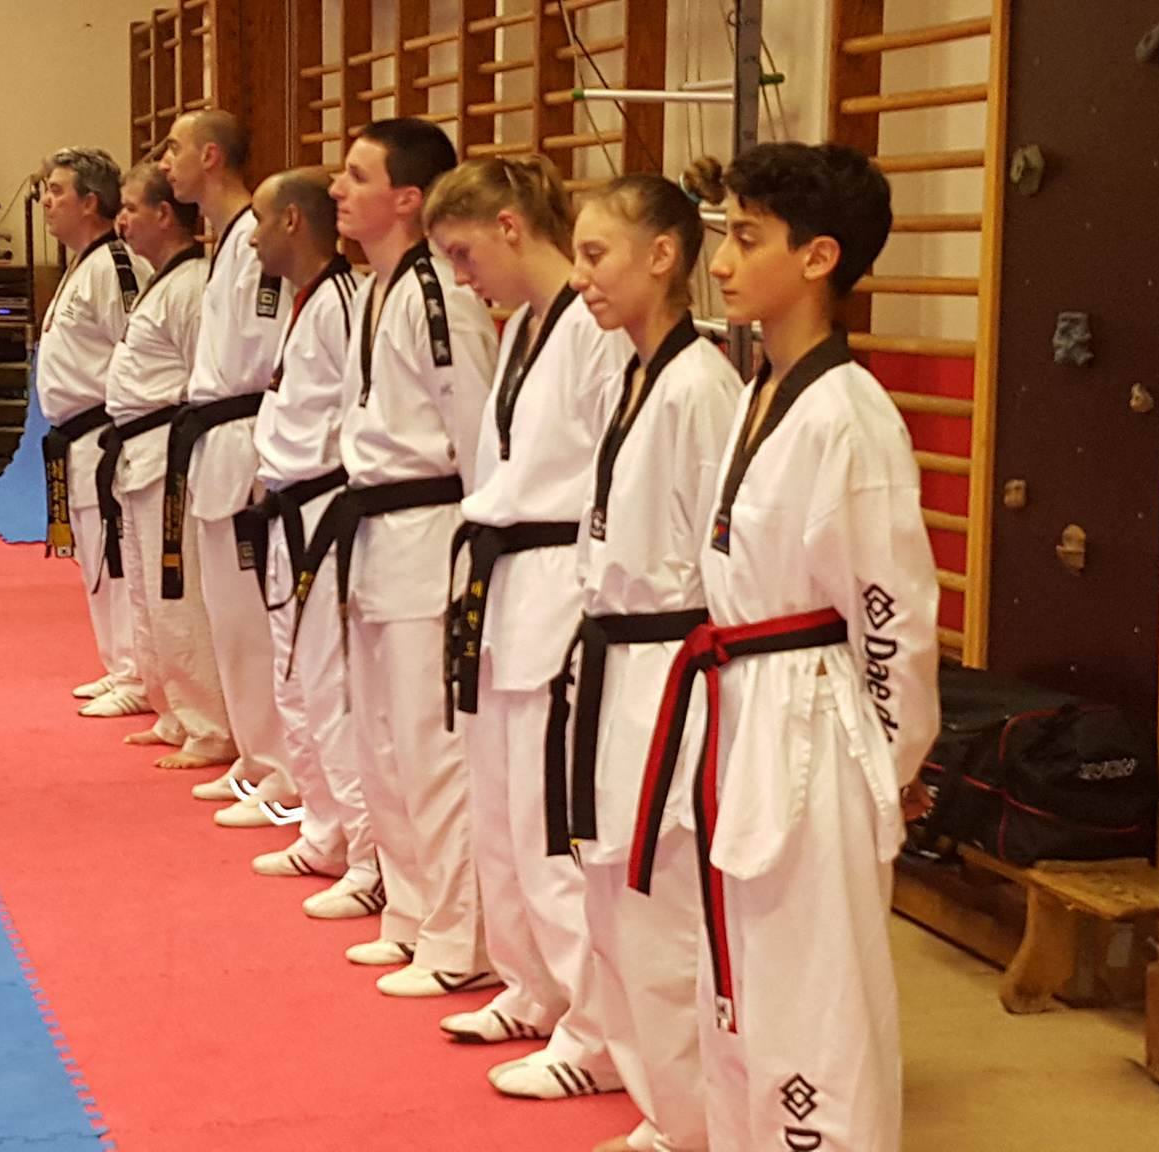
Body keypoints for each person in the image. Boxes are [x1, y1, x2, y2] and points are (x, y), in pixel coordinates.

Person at [630, 145, 939, 1152]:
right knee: (739, 984)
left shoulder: (850, 417)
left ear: (817, 257)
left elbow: (894, 612)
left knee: (813, 998)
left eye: (746, 238)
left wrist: (889, 765)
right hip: (740, 702)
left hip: (812, 725)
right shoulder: (760, 385)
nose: (720, 261)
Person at [421, 156, 630, 1100]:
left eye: (466, 253)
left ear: (511, 226)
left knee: (551, 829)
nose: (462, 276)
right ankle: (533, 987)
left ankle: (596, 1035)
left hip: (560, 585)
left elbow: (613, 481)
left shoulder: (593, 331)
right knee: (502, 813)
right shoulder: (523, 330)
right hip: (504, 585)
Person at [554, 173, 742, 1152]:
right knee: (615, 895)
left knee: (663, 908)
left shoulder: (700, 387)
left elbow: (725, 559)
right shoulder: (633, 372)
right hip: (617, 659)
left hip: (670, 667)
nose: (579, 276)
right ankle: (665, 1109)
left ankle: (698, 1126)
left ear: (661, 256)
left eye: (596, 255)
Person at [299, 117, 497, 995]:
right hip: (374, 533)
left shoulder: (440, 296)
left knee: (430, 747)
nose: (336, 188)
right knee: (381, 741)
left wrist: (477, 558)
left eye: (356, 174)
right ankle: (411, 915)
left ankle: (461, 942)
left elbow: (477, 435)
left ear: (408, 198)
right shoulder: (375, 288)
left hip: (430, 536)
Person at [239, 168, 384, 919]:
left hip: (325, 508)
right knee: (294, 681)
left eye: (261, 222)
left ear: (293, 222)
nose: (251, 239)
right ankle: (324, 829)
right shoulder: (307, 302)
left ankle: (369, 856)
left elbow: (361, 417)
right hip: (289, 507)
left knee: (330, 688)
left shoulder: (343, 303)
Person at [157, 110, 302, 819]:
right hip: (215, 435)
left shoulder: (254, 241)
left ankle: (281, 772)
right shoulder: (226, 242)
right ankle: (253, 757)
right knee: (228, 620)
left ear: (211, 156)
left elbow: (267, 353)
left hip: (244, 435)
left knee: (251, 620)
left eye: (175, 149)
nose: (165, 162)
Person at [102, 163, 235, 770]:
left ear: (163, 214)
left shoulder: (192, 286)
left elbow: (201, 380)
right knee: (149, 597)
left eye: (131, 208)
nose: (121, 220)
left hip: (167, 454)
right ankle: (174, 708)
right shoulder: (163, 281)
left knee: (178, 597)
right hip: (138, 453)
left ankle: (210, 724)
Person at [30, 148, 157, 721]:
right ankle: (118, 662)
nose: (46, 201)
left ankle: (137, 674)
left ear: (90, 202)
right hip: (75, 434)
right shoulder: (83, 263)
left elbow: (138, 349)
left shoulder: (115, 265)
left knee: (118, 556)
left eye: (57, 190)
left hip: (106, 432)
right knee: (95, 557)